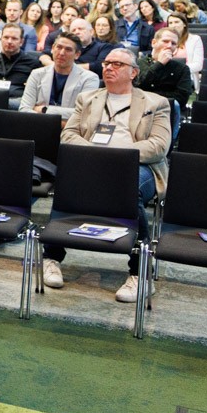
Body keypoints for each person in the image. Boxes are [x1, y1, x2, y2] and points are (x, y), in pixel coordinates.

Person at [45, 48, 170, 303]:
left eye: (117, 64)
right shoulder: (88, 98)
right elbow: (68, 135)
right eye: (106, 63)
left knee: (129, 188)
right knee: (67, 182)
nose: (109, 67)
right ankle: (51, 257)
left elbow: (159, 145)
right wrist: (95, 155)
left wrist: (118, 157)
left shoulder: (156, 103)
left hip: (137, 166)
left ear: (133, 73)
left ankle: (141, 273)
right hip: (91, 164)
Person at [19, 33, 99, 122]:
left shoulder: (90, 78)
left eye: (68, 49)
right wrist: (55, 122)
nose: (61, 53)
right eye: (59, 47)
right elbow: (24, 109)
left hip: (71, 129)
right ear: (52, 48)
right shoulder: (37, 74)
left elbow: (84, 113)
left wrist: (45, 110)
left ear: (77, 54)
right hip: (38, 126)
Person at [0, 23, 40, 108]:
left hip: (18, 105)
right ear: (0, 39)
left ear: (21, 42)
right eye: (6, 37)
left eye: (14, 38)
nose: (9, 41)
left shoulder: (32, 63)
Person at [166, 13, 203, 90]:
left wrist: (177, 70)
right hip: (166, 77)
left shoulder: (195, 39)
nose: (173, 25)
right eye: (170, 23)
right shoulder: (164, 40)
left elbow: (198, 65)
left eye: (176, 22)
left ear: (184, 24)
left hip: (187, 77)